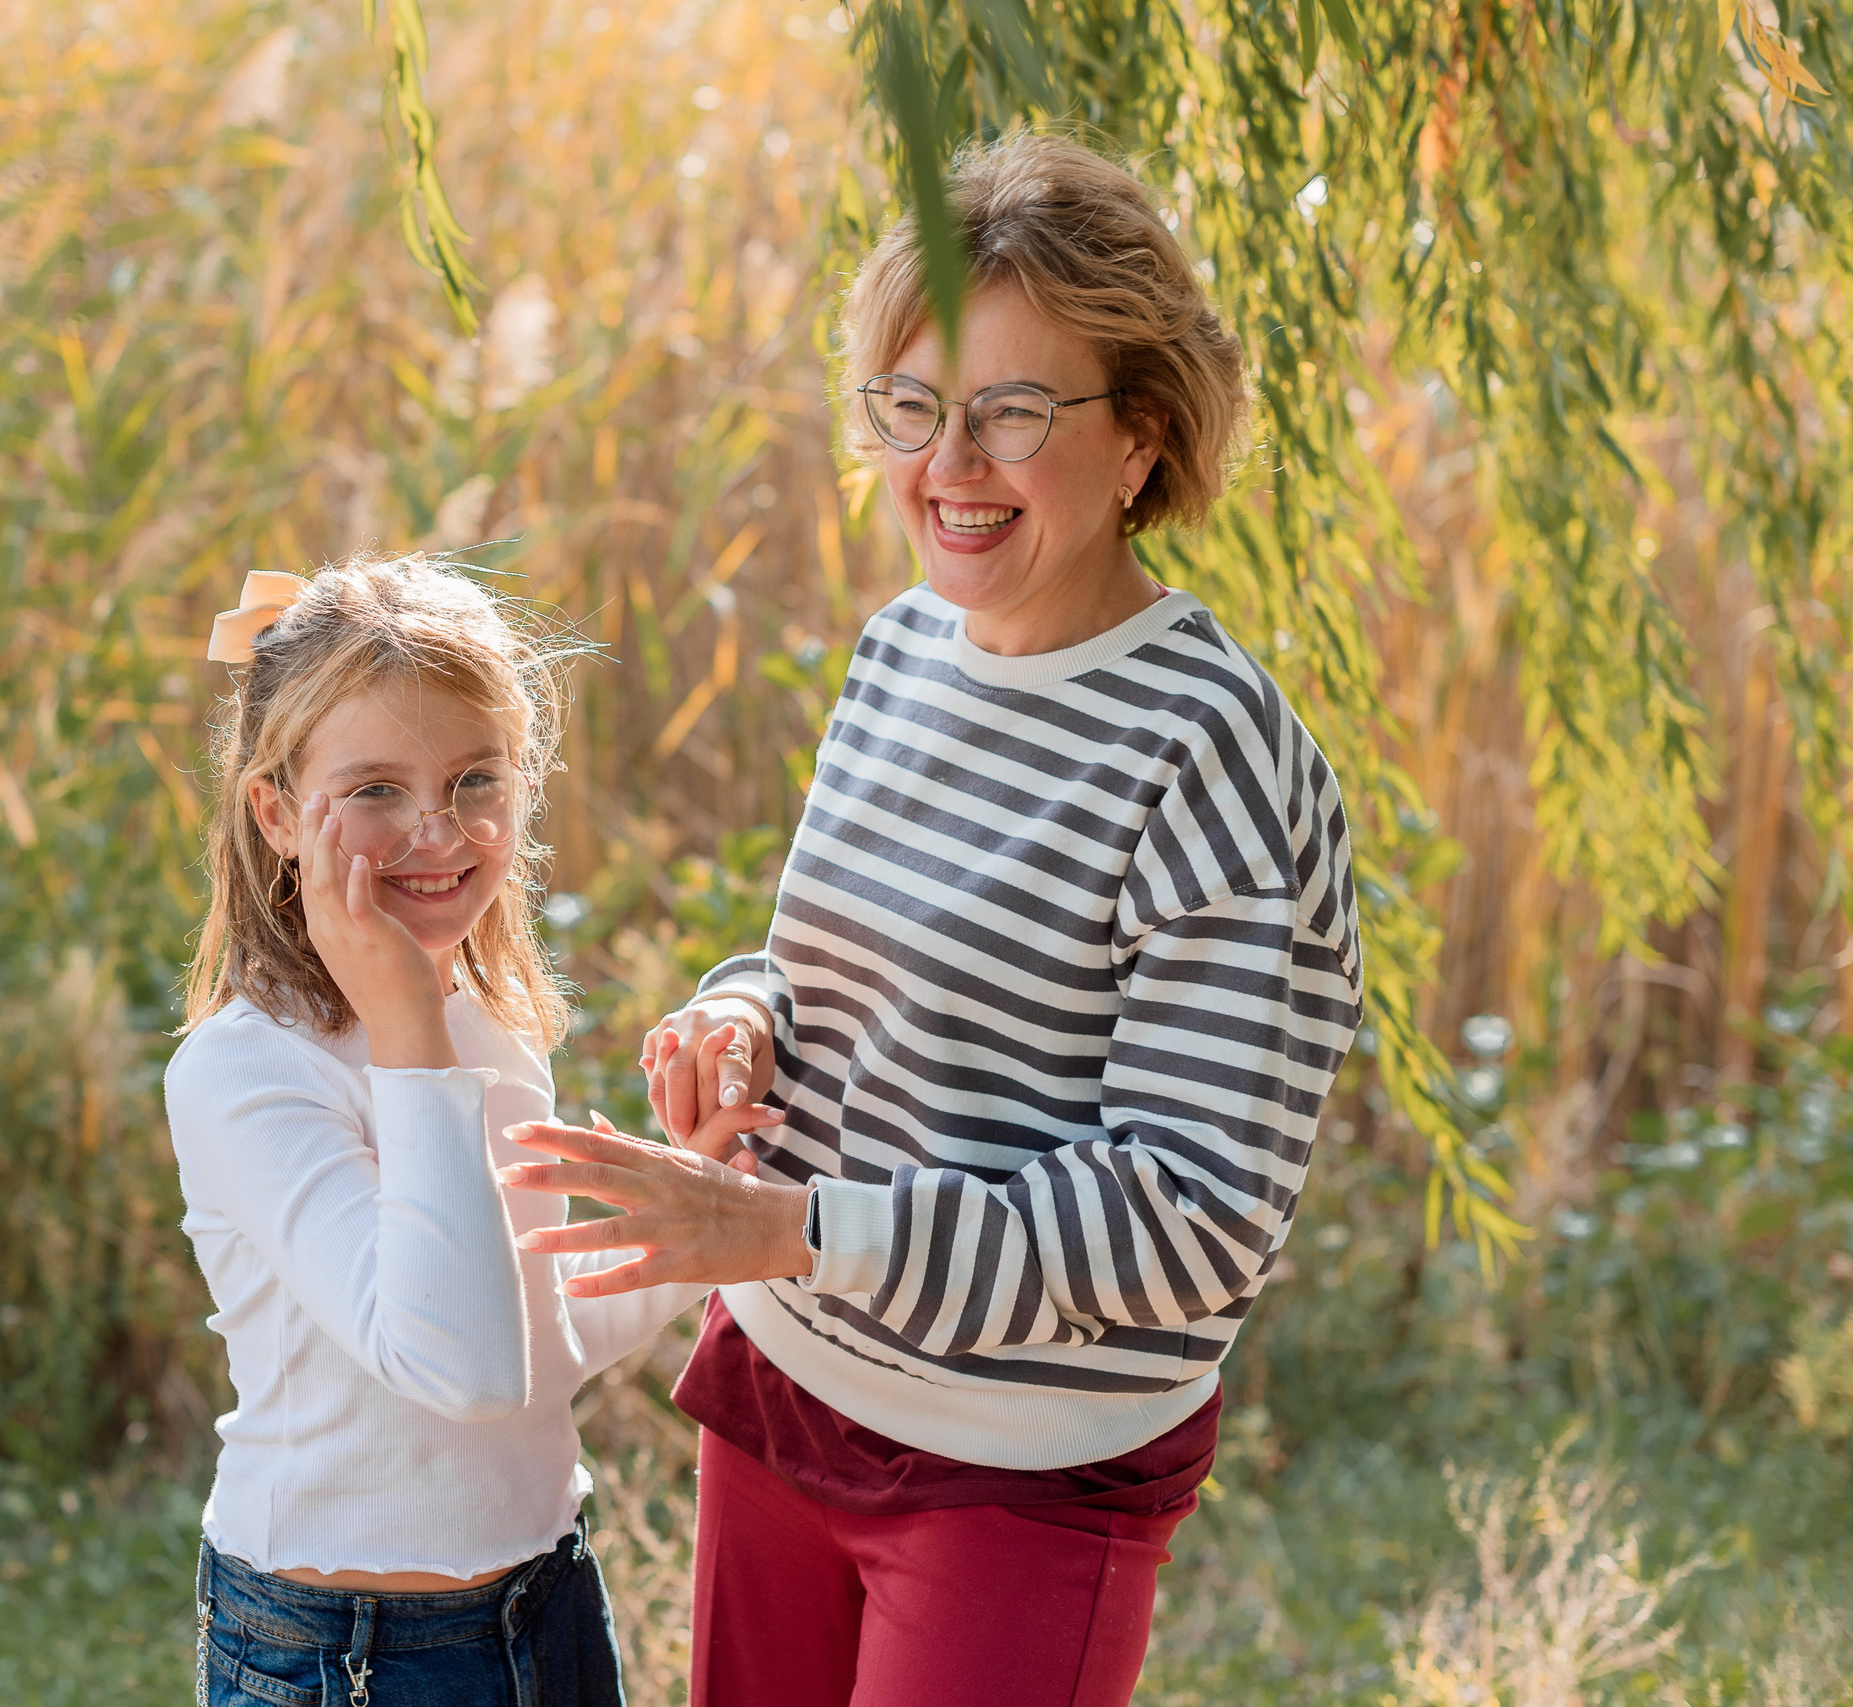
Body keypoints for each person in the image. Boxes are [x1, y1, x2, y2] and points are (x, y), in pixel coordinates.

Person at [501, 133, 1365, 1706]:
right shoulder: (906, 646)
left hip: (1016, 1467)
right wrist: (746, 1011)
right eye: (911, 407)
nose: (948, 463)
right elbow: (864, 969)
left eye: (1015, 411)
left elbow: (1193, 1212)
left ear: (1142, 441)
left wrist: (796, 1229)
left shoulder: (1213, 754)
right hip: (793, 1376)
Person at [168, 553, 705, 1707]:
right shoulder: (245, 1069)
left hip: (544, 1597)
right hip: (346, 1652)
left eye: (475, 780)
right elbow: (449, 1371)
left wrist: (695, 1220)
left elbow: (520, 1359)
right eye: (373, 790)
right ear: (275, 810)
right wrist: (406, 1022)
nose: (436, 831)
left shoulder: (486, 1023)